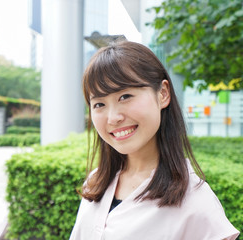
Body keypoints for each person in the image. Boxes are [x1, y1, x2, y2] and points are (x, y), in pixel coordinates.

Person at [70, 41, 240, 240]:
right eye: (99, 103)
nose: (113, 117)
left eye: (125, 96)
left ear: (163, 94)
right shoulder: (95, 181)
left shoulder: (194, 201)